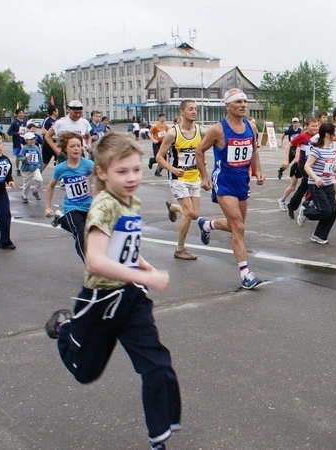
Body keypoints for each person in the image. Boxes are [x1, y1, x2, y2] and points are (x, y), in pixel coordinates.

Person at [44, 133, 180, 450]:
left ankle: (159, 438)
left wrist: (143, 266)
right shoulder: (103, 206)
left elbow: (125, 246)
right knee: (85, 373)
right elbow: (95, 259)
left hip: (131, 299)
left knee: (157, 365)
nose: (132, 177)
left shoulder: (130, 200)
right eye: (122, 171)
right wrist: (146, 275)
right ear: (102, 173)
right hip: (99, 302)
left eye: (136, 169)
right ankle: (65, 328)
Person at [196, 88, 265, 289]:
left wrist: (257, 171)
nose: (243, 104)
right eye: (238, 102)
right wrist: (204, 176)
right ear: (227, 106)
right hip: (224, 180)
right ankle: (245, 274)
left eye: (244, 101)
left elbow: (254, 151)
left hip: (242, 179)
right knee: (239, 226)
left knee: (238, 224)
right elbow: (199, 150)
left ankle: (207, 225)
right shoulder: (218, 129)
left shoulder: (250, 126)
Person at [156, 100, 204, 261]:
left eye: (196, 109)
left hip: (195, 177)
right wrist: (172, 169)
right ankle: (180, 249)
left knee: (195, 215)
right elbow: (159, 157)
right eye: (191, 109)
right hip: (178, 178)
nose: (194, 112)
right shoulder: (173, 133)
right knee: (189, 213)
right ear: (182, 112)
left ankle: (173, 208)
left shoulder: (200, 131)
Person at [45, 132, 94, 262]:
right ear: (65, 148)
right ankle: (90, 267)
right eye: (72, 146)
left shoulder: (89, 164)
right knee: (80, 233)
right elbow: (50, 186)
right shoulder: (61, 168)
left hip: (89, 205)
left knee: (94, 234)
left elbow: (103, 179)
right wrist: (47, 207)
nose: (76, 148)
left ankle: (61, 220)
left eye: (79, 145)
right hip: (72, 207)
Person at [301, 123, 336, 243]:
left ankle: (319, 236)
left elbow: (335, 169)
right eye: (334, 133)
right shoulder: (317, 150)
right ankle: (305, 212)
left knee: (332, 213)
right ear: (327, 134)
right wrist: (316, 178)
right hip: (316, 185)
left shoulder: (332, 150)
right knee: (325, 210)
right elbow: (307, 166)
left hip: (328, 184)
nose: (335, 136)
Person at [285, 118, 319, 218]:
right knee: (311, 184)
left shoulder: (319, 137)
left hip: (314, 165)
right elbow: (289, 145)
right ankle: (306, 204)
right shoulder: (303, 136)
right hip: (304, 165)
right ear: (306, 126)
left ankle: (294, 205)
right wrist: (286, 160)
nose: (315, 128)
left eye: (316, 126)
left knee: (306, 186)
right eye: (312, 126)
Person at [44, 100, 92, 165]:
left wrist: (89, 144)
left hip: (80, 154)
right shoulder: (60, 122)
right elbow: (47, 136)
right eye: (75, 113)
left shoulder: (85, 122)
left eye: (80, 113)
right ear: (69, 111)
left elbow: (88, 137)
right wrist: (56, 150)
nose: (78, 115)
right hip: (64, 155)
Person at [19, 132, 44, 204]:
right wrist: (25, 159)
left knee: (40, 180)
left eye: (33, 139)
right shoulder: (24, 148)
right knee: (26, 184)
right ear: (26, 140)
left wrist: (41, 167)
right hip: (26, 169)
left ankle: (35, 191)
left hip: (35, 167)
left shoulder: (36, 147)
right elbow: (20, 157)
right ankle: (24, 196)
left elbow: (39, 158)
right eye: (30, 139)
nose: (32, 141)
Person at [8, 108, 27, 176]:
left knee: (25, 155)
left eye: (22, 113)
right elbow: (9, 132)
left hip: (24, 141)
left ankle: (25, 168)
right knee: (18, 156)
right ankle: (17, 169)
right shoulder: (14, 123)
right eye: (20, 113)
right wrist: (17, 133)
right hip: (17, 142)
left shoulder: (25, 122)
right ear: (17, 114)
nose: (22, 114)